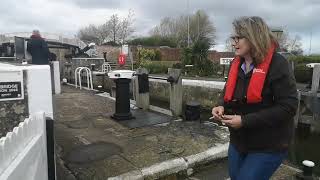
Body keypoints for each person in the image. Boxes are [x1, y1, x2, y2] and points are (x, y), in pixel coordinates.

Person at [212, 16, 298, 180]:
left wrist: (244, 121)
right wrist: (220, 105)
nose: (234, 42)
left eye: (239, 38)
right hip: (239, 142)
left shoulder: (278, 64)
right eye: (233, 38)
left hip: (269, 144)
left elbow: (289, 106)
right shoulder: (235, 64)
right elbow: (227, 92)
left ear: (254, 37)